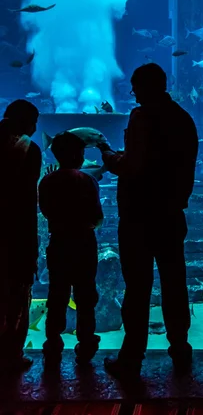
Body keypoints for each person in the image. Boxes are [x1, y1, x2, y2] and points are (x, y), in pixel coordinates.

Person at [99, 63, 198, 379]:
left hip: (140, 216)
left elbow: (134, 166)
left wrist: (110, 157)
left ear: (144, 87)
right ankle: (180, 348)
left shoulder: (141, 118)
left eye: (135, 87)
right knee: (174, 284)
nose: (134, 94)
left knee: (138, 287)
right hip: (171, 214)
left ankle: (132, 356)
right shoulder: (183, 118)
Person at [39, 132, 103, 365]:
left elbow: (46, 211)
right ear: (77, 155)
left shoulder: (47, 181)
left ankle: (53, 342)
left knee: (57, 294)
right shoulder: (87, 181)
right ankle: (86, 343)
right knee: (86, 295)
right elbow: (97, 216)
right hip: (84, 243)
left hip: (59, 243)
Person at [0, 99, 41, 372]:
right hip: (15, 232)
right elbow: (28, 199)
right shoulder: (28, 148)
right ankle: (10, 355)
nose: (35, 128)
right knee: (16, 293)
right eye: (34, 122)